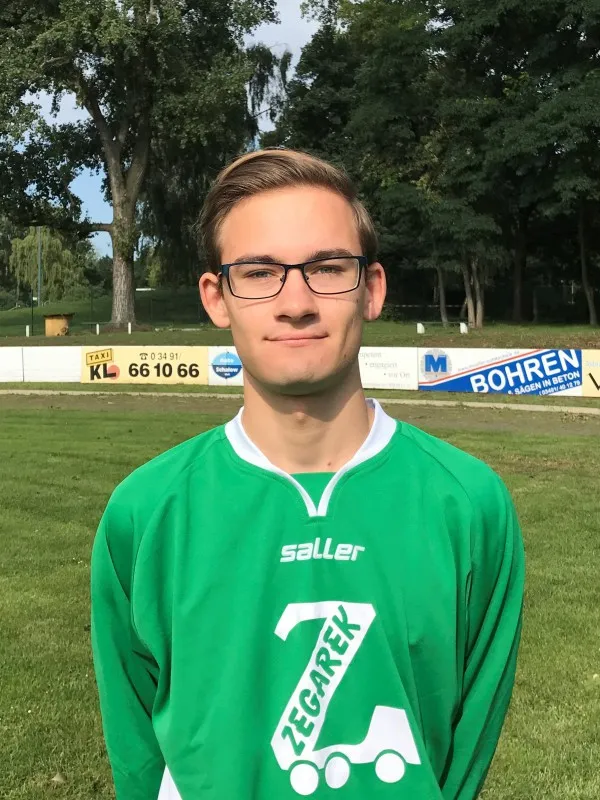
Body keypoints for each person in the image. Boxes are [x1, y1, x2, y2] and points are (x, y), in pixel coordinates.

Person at [91, 148, 525, 800]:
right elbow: (137, 754)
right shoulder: (145, 513)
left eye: (326, 268)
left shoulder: (468, 504)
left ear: (371, 289)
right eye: (259, 272)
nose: (296, 303)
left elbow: (464, 755)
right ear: (217, 298)